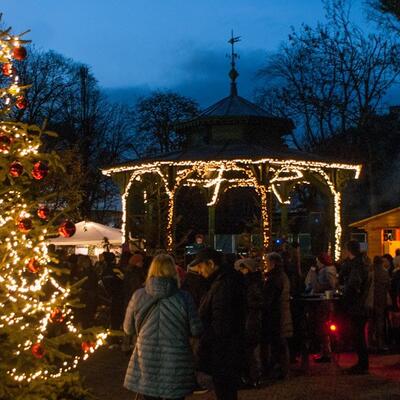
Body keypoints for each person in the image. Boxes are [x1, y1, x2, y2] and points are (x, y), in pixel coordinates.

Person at [123, 254, 203, 400]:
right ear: (173, 271)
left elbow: (128, 329)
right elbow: (196, 329)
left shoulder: (138, 296)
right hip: (176, 359)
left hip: (146, 357)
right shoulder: (184, 297)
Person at [193, 248, 245, 400]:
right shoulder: (223, 280)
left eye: (201, 266)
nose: (199, 271)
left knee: (225, 390)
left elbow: (221, 322)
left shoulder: (223, 284)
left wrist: (207, 343)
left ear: (211, 264)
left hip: (223, 351)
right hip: (226, 349)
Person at [340, 241, 371, 374]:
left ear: (349, 251)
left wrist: (345, 295)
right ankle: (363, 364)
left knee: (358, 335)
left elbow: (354, 284)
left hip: (358, 306)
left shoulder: (356, 266)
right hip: (362, 305)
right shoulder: (363, 264)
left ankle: (362, 365)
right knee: (359, 335)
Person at [262, 252, 293, 380]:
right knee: (280, 343)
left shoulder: (274, 278)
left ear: (273, 263)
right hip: (281, 312)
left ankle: (280, 369)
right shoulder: (282, 276)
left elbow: (269, 298)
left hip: (276, 314)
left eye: (267, 262)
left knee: (278, 343)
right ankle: (282, 369)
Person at [235, 258, 264, 387]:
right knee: (251, 350)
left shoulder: (251, 283)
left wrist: (247, 305)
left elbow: (258, 301)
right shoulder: (253, 282)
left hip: (251, 319)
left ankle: (254, 377)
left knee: (251, 350)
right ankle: (254, 377)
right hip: (251, 318)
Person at [305, 253, 337, 363]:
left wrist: (313, 274)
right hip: (328, 302)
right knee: (325, 326)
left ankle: (326, 352)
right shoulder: (331, 270)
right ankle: (326, 351)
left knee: (322, 327)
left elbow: (317, 286)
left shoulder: (323, 272)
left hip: (322, 303)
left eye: (318, 261)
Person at [368, 256, 391, 352]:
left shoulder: (371, 273)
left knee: (370, 322)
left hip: (371, 299)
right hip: (381, 299)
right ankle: (380, 343)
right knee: (380, 322)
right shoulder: (385, 273)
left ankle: (370, 342)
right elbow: (388, 286)